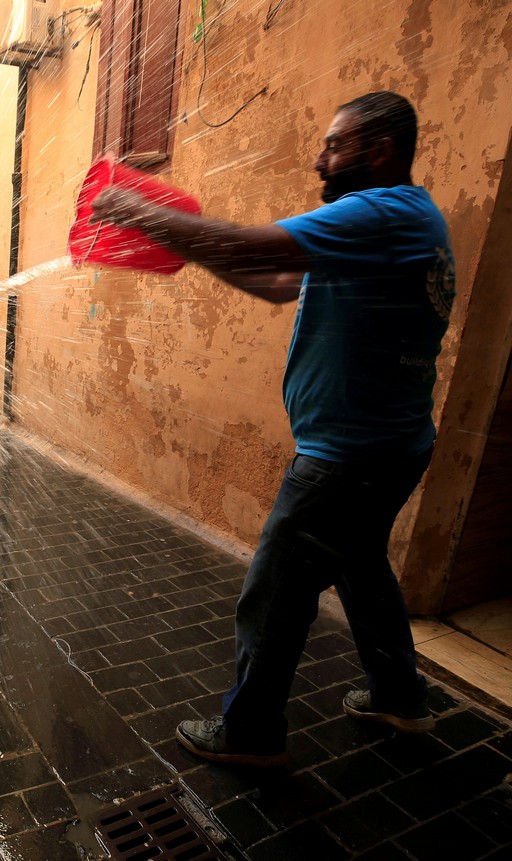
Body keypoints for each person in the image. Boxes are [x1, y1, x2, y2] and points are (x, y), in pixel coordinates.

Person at [90, 91, 456, 767]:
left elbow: (256, 247)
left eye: (334, 145)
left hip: (348, 457)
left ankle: (251, 730)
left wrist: (130, 209)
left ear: (379, 152)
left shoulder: (378, 212)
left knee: (277, 589)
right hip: (394, 442)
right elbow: (280, 280)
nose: (320, 159)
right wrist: (180, 243)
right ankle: (398, 694)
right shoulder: (403, 216)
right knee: (362, 565)